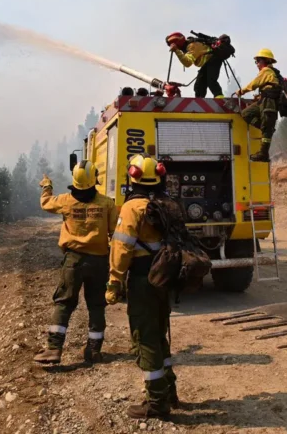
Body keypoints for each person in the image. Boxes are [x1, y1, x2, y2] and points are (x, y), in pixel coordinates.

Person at [107, 154, 180, 420]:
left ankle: (157, 402)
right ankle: (169, 391)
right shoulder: (168, 203)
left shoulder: (131, 208)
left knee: (145, 338)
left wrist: (114, 281)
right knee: (159, 334)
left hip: (142, 278)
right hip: (164, 277)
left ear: (133, 176)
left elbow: (121, 247)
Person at [33, 160, 119, 366]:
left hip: (73, 260)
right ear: (94, 179)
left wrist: (46, 185)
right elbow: (115, 233)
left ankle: (54, 349)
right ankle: (94, 350)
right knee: (97, 305)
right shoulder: (107, 203)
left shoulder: (65, 201)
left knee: (64, 303)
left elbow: (45, 203)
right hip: (99, 261)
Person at [233, 48, 280, 162]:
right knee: (246, 113)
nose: (257, 64)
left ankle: (263, 154)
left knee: (266, 130)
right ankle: (266, 129)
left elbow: (254, 84)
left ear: (265, 61)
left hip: (269, 103)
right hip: (263, 101)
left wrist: (241, 91)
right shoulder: (270, 73)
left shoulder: (266, 71)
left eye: (258, 61)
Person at [166, 31, 226, 98]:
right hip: (207, 63)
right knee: (198, 86)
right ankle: (199, 101)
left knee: (211, 80)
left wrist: (176, 51)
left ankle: (220, 99)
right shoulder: (189, 45)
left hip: (213, 59)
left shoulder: (192, 46)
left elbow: (188, 63)